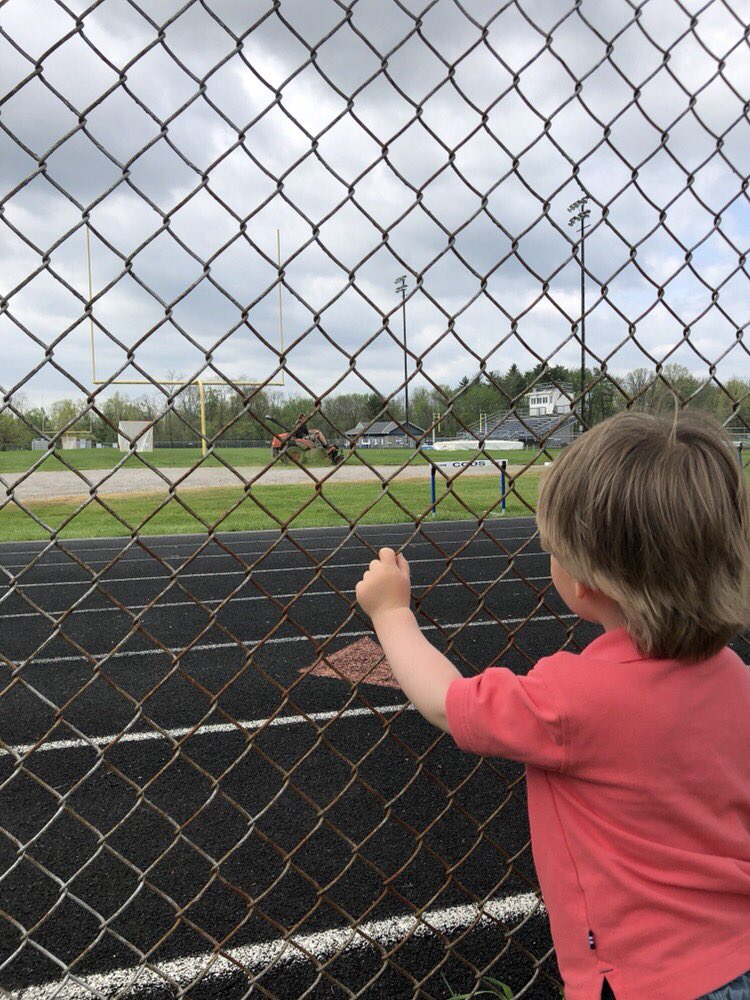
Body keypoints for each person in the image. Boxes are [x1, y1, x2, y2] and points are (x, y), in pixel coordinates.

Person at [355, 410, 750, 1000]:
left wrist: (392, 614)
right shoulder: (733, 675)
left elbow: (444, 702)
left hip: (645, 978)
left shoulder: (573, 697)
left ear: (588, 579)